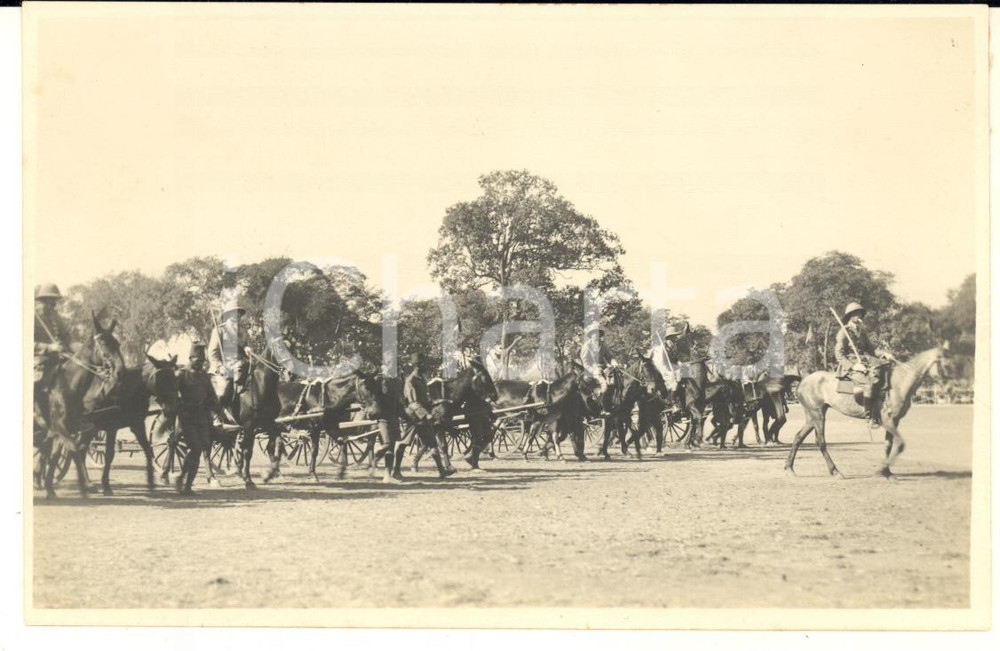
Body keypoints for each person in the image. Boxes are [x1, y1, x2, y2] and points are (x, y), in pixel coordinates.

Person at [834, 301, 891, 425]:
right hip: (849, 365)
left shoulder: (862, 332)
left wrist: (884, 353)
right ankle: (869, 415)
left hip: (864, 362)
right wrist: (854, 366)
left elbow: (872, 350)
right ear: (850, 316)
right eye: (856, 313)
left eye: (860, 313)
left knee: (885, 368)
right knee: (868, 384)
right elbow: (839, 355)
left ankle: (881, 407)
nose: (859, 315)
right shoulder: (844, 332)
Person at [401, 352, 456, 478]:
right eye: (424, 364)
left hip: (423, 418)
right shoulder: (411, 380)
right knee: (403, 444)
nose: (426, 366)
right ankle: (396, 470)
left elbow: (426, 401)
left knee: (432, 444)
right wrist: (426, 415)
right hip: (413, 418)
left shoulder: (421, 379)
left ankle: (442, 471)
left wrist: (440, 401)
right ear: (418, 365)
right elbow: (413, 402)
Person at [175, 341, 219, 495]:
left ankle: (187, 486)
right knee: (195, 448)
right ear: (190, 358)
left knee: (200, 450)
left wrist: (216, 411)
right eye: (197, 360)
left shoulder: (204, 377)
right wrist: (180, 408)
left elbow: (212, 396)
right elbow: (172, 396)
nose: (200, 363)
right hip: (187, 418)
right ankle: (182, 477)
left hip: (202, 418)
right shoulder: (181, 375)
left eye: (202, 361)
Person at [33, 283, 75, 431]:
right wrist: (49, 347)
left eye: (55, 300)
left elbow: (66, 336)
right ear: (42, 300)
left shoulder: (56, 317)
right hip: (37, 359)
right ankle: (39, 416)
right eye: (50, 300)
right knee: (37, 381)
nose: (53, 304)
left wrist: (72, 346)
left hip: (57, 357)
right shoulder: (33, 317)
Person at [207, 299, 251, 423]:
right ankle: (216, 416)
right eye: (233, 313)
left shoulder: (243, 331)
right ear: (227, 315)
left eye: (238, 313)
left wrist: (248, 349)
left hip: (242, 365)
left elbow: (249, 347)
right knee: (225, 388)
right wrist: (220, 367)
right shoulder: (219, 330)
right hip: (224, 369)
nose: (236, 316)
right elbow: (212, 353)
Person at [580, 328, 619, 410]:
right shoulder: (587, 346)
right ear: (591, 335)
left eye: (597, 333)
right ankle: (601, 405)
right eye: (594, 333)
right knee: (604, 384)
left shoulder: (603, 344)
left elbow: (609, 356)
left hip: (604, 368)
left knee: (617, 378)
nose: (596, 335)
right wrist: (594, 370)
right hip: (591, 369)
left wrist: (614, 363)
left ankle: (616, 402)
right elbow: (585, 363)